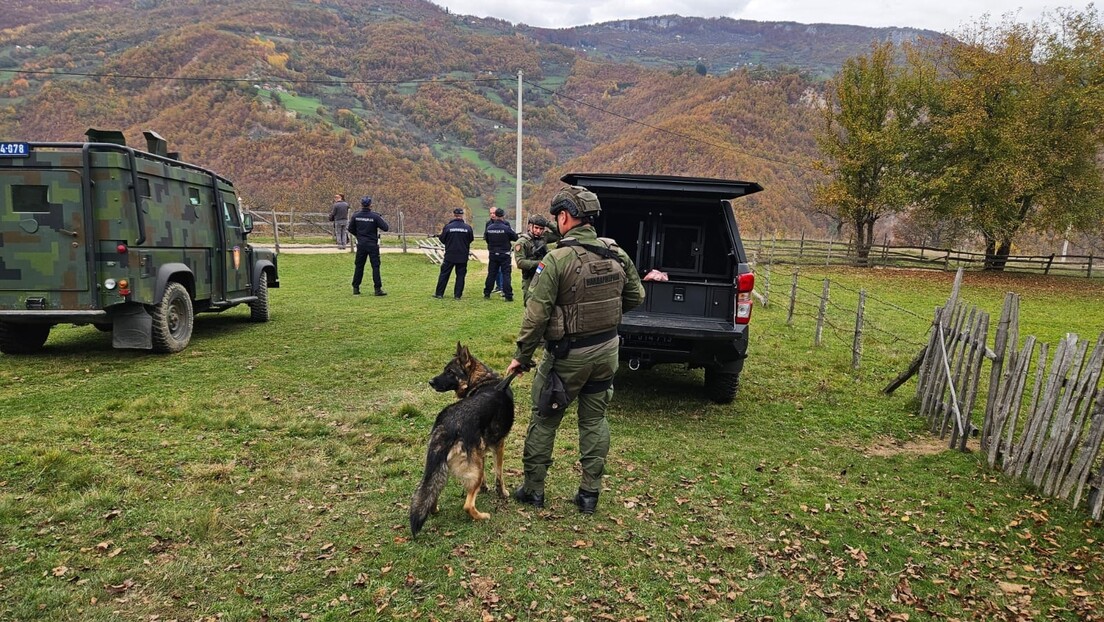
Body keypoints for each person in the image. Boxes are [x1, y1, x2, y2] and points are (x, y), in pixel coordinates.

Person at [505, 186, 645, 515]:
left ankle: (534, 490)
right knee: (594, 421)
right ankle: (588, 495)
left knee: (545, 418)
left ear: (565, 217)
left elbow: (535, 315)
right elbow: (635, 296)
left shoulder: (556, 260)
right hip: (607, 351)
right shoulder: (615, 252)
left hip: (568, 356)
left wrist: (521, 357)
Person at [348, 196, 389, 296]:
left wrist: (359, 235)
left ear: (361, 204)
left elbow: (350, 229)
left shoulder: (356, 216)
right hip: (372, 244)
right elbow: (385, 227)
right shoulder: (375, 216)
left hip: (361, 244)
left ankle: (356, 287)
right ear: (371, 205)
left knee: (359, 266)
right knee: (375, 266)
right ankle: (377, 289)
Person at [434, 207, 474, 299]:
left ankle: (439, 293)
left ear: (454, 215)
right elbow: (470, 239)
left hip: (450, 255)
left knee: (444, 274)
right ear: (462, 215)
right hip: (462, 255)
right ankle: (457, 295)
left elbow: (442, 239)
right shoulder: (468, 228)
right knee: (460, 276)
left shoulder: (448, 227)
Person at [513, 213, 550, 304]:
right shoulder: (522, 242)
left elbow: (558, 234)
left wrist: (547, 222)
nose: (538, 231)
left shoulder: (543, 239)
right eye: (536, 228)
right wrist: (541, 263)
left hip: (543, 276)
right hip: (529, 278)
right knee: (530, 303)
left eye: (541, 229)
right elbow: (520, 263)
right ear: (530, 226)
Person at [483, 207, 518, 302]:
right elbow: (515, 237)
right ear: (503, 216)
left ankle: (487, 292)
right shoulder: (506, 228)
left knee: (491, 274)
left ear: (495, 215)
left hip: (493, 254)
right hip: (505, 254)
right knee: (506, 274)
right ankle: (508, 295)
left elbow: (487, 239)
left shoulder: (489, 228)